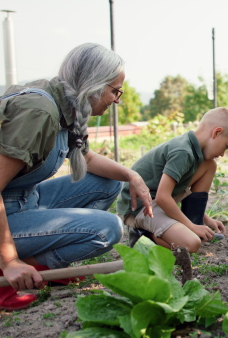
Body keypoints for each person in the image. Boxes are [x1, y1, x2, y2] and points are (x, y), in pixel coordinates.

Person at [0, 43, 154, 311]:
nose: (117, 100)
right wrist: (10, 261)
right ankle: (17, 272)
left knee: (109, 183)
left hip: (26, 201)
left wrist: (132, 175)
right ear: (94, 86)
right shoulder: (40, 113)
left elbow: (88, 159)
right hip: (7, 211)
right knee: (108, 229)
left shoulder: (65, 105)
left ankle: (41, 261)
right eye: (115, 91)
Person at [116, 107, 228, 253]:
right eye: (226, 146)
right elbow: (163, 197)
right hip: (141, 207)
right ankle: (144, 236)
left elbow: (172, 192)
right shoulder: (183, 152)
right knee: (191, 244)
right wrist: (191, 227)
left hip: (157, 199)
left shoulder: (193, 150)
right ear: (216, 132)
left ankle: (193, 221)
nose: (222, 154)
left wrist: (204, 219)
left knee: (210, 165)